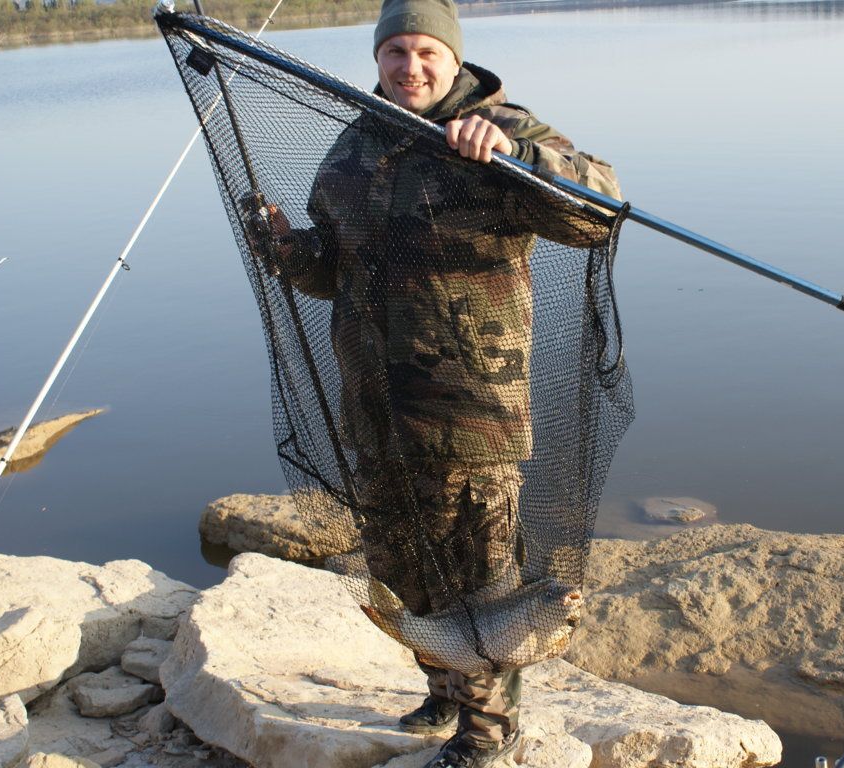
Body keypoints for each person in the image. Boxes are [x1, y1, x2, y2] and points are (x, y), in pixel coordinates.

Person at [246, 1, 620, 765]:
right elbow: (332, 272)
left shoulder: (501, 127)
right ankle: (445, 688)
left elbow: (598, 213)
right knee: (401, 569)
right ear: (377, 59)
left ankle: (487, 732)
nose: (409, 67)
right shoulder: (355, 142)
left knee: (479, 580)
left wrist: (517, 156)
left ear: (453, 58)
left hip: (468, 409)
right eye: (395, 51)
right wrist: (287, 247)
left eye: (425, 52)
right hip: (374, 407)